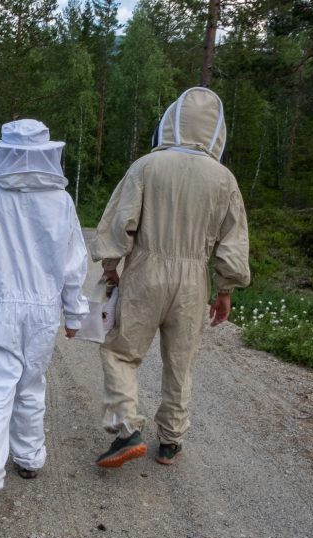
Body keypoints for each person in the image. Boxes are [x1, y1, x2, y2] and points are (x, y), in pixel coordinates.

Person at [89, 87, 250, 468]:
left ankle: (128, 428)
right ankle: (171, 442)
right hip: (194, 279)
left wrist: (111, 266)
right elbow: (233, 240)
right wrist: (225, 289)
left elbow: (120, 221)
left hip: (146, 271)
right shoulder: (224, 179)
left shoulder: (147, 166)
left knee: (119, 351)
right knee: (181, 360)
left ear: (172, 122)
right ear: (216, 130)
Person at [0, 119, 90, 515]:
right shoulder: (60, 201)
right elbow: (73, 263)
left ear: (3, 151)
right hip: (42, 311)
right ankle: (28, 459)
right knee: (30, 384)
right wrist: (74, 313)